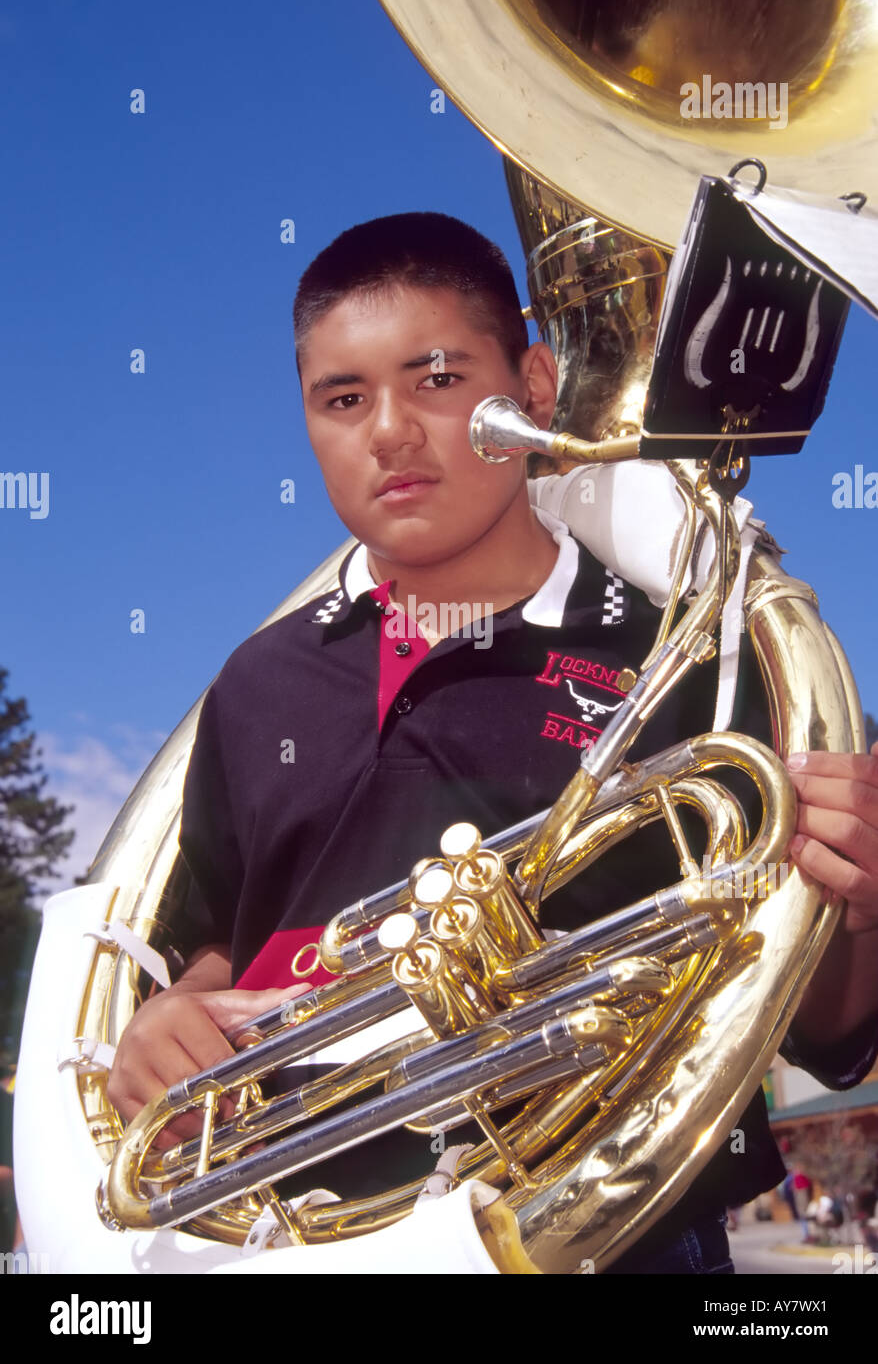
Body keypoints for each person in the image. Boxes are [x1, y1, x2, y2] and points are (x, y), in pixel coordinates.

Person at [107, 212, 878, 1269]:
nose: (386, 431)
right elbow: (212, 945)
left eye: (434, 379)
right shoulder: (254, 683)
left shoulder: (697, 661)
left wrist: (860, 895)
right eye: (342, 398)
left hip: (616, 1239)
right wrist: (170, 1027)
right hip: (292, 1235)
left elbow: (825, 1028)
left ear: (533, 389)